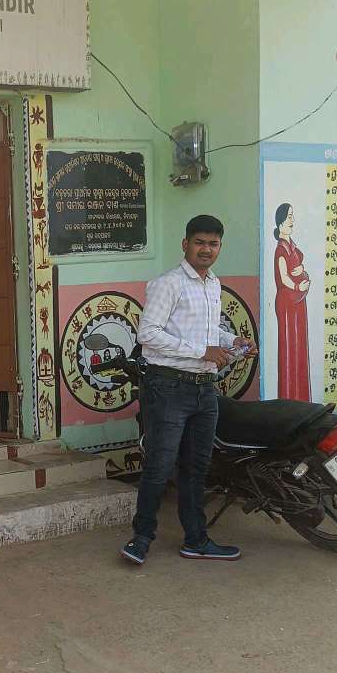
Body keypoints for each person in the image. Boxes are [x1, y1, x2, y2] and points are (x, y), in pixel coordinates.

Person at [121, 215, 257, 565]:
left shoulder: (213, 284)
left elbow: (209, 332)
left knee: (197, 468)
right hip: (168, 388)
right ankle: (141, 538)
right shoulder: (168, 284)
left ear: (220, 247)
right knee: (160, 466)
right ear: (185, 244)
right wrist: (202, 352)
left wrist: (232, 341)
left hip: (204, 390)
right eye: (199, 242)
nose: (206, 250)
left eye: (213, 244)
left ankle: (196, 540)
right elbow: (148, 334)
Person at [272, 203, 311, 401]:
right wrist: (298, 286)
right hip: (288, 304)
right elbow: (284, 278)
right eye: (289, 217)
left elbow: (296, 266)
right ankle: (290, 399)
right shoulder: (281, 249)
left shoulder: (292, 246)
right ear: (280, 223)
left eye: (292, 216)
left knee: (300, 349)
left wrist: (302, 270)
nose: (292, 220)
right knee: (290, 350)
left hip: (298, 303)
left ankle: (302, 398)